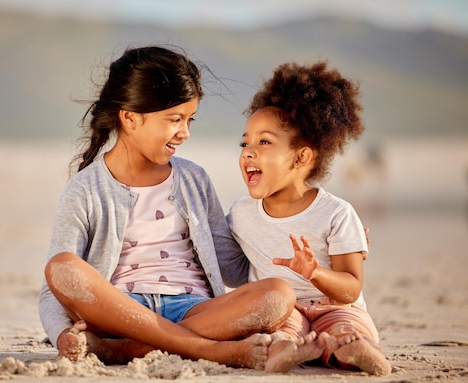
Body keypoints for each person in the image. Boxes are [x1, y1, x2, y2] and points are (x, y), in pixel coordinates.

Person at [37, 45, 313, 370]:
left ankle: (125, 350)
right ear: (129, 118)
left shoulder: (193, 179)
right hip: (119, 311)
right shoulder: (85, 189)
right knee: (61, 267)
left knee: (278, 295)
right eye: (175, 119)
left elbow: (234, 269)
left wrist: (276, 216)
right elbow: (53, 290)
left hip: (193, 309)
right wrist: (61, 336)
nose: (185, 132)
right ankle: (209, 350)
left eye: (189, 119)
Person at [227, 61, 392, 375]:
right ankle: (285, 350)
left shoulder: (337, 213)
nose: (248, 152)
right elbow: (223, 265)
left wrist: (316, 273)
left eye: (264, 142)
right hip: (283, 311)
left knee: (346, 330)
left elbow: (351, 289)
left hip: (336, 308)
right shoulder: (240, 214)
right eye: (245, 143)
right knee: (277, 333)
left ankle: (359, 352)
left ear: (302, 156)